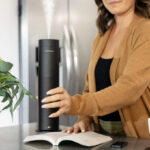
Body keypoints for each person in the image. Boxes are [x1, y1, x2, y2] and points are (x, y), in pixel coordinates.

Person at [41, 0, 150, 138]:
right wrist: (84, 119)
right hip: (104, 136)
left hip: (141, 138)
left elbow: (129, 88)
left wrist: (75, 104)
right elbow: (90, 89)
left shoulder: (146, 31)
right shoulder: (102, 37)